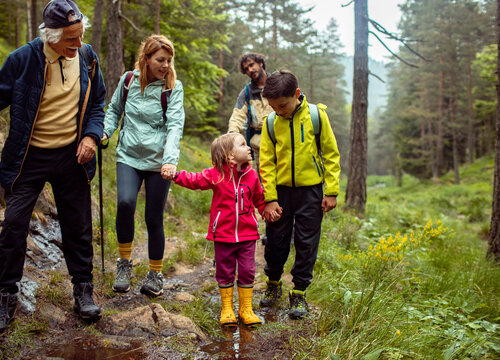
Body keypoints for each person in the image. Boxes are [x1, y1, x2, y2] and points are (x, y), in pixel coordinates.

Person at [0, 0, 106, 336]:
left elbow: (96, 102)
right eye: (71, 38)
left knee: (78, 226)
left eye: (81, 35)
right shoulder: (23, 59)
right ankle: (6, 296)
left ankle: (83, 290)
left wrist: (91, 136)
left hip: (73, 156)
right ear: (51, 36)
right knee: (13, 225)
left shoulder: (87, 57)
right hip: (29, 157)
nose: (78, 43)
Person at [102, 35, 185, 297]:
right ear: (146, 58)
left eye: (169, 61)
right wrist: (104, 133)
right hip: (128, 155)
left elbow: (175, 125)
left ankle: (155, 274)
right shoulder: (128, 80)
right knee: (125, 203)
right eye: (160, 60)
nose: (165, 65)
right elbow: (114, 110)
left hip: (159, 161)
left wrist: (170, 160)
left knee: (153, 216)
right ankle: (124, 264)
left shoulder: (173, 87)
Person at [259, 70, 340, 319]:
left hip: (311, 192)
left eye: (282, 105)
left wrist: (332, 191)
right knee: (275, 240)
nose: (279, 110)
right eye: (273, 107)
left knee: (307, 242)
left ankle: (299, 292)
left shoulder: (316, 116)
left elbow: (331, 154)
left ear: (296, 94)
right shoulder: (271, 122)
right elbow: (266, 163)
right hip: (280, 194)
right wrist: (270, 199)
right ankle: (273, 283)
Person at [172, 133, 271, 327]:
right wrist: (176, 175)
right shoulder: (216, 174)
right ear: (229, 156)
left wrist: (266, 210)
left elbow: (259, 198)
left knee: (247, 270)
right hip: (223, 235)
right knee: (224, 271)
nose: (248, 147)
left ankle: (246, 309)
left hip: (247, 234)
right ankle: (227, 308)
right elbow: (195, 180)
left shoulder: (252, 175)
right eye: (243, 145)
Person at [227, 53, 273, 175]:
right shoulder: (246, 93)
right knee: (265, 183)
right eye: (246, 69)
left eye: (252, 65)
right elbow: (237, 117)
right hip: (260, 146)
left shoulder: (277, 84)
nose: (250, 70)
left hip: (283, 142)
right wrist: (232, 135)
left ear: (261, 63)